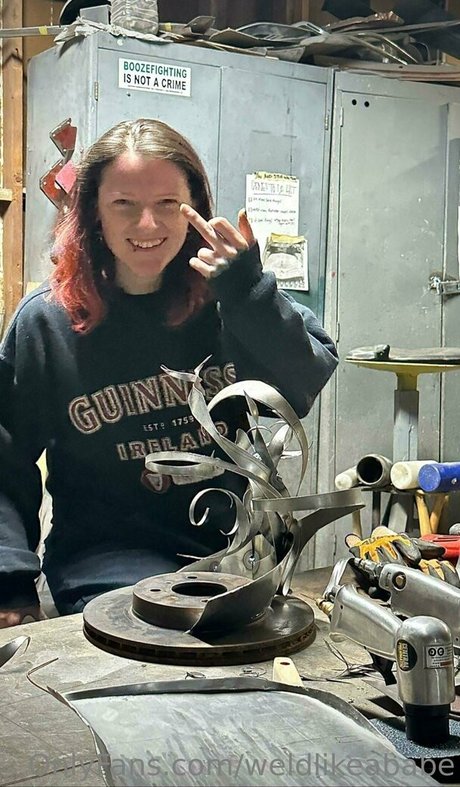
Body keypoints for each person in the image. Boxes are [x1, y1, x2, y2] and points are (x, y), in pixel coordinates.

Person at [0, 118, 338, 627]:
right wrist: (9, 583)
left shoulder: (232, 299)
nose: (147, 225)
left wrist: (248, 291)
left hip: (231, 558)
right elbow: (6, 465)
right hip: (104, 565)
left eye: (166, 204)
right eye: (124, 204)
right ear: (93, 211)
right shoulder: (47, 322)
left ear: (194, 207)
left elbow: (303, 381)